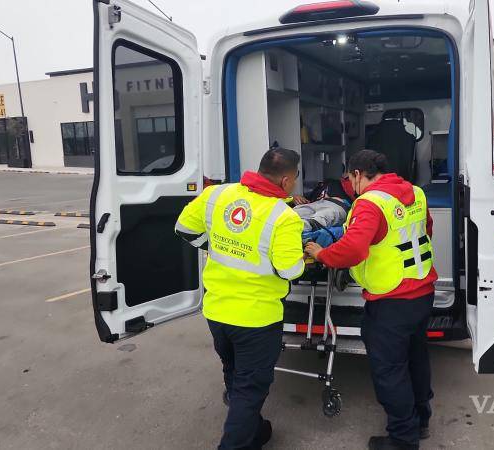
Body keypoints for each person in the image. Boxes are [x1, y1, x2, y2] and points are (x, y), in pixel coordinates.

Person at [305, 150, 438, 450]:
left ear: (356, 174)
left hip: (391, 300)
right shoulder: (415, 192)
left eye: (350, 181)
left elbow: (352, 249)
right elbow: (425, 229)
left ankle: (403, 439)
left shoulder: (370, 203)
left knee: (390, 372)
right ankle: (421, 420)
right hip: (422, 291)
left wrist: (322, 254)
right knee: (416, 360)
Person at [174, 148, 306, 449]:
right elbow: (290, 270)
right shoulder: (283, 217)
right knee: (250, 388)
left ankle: (255, 431)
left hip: (217, 312)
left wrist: (217, 247)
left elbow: (184, 228)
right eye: (296, 178)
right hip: (257, 319)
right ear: (286, 180)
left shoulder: (217, 195)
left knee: (234, 373)